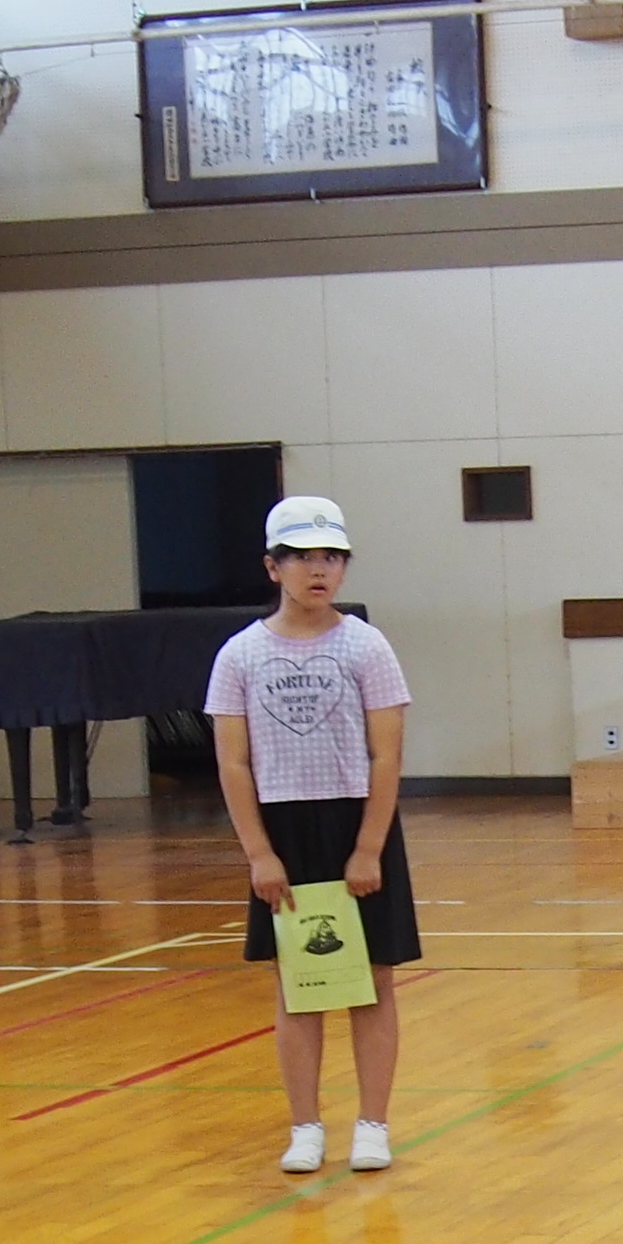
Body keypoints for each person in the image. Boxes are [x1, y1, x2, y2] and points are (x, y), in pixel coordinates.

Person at [205, 496, 417, 1174]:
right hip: (283, 826)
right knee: (298, 982)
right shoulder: (240, 655)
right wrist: (259, 852)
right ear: (273, 567)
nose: (317, 570)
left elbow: (386, 753)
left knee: (373, 980)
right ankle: (304, 1126)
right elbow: (233, 763)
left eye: (330, 557)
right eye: (300, 557)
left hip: (355, 818)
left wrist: (369, 846)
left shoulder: (366, 646)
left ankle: (373, 1124)